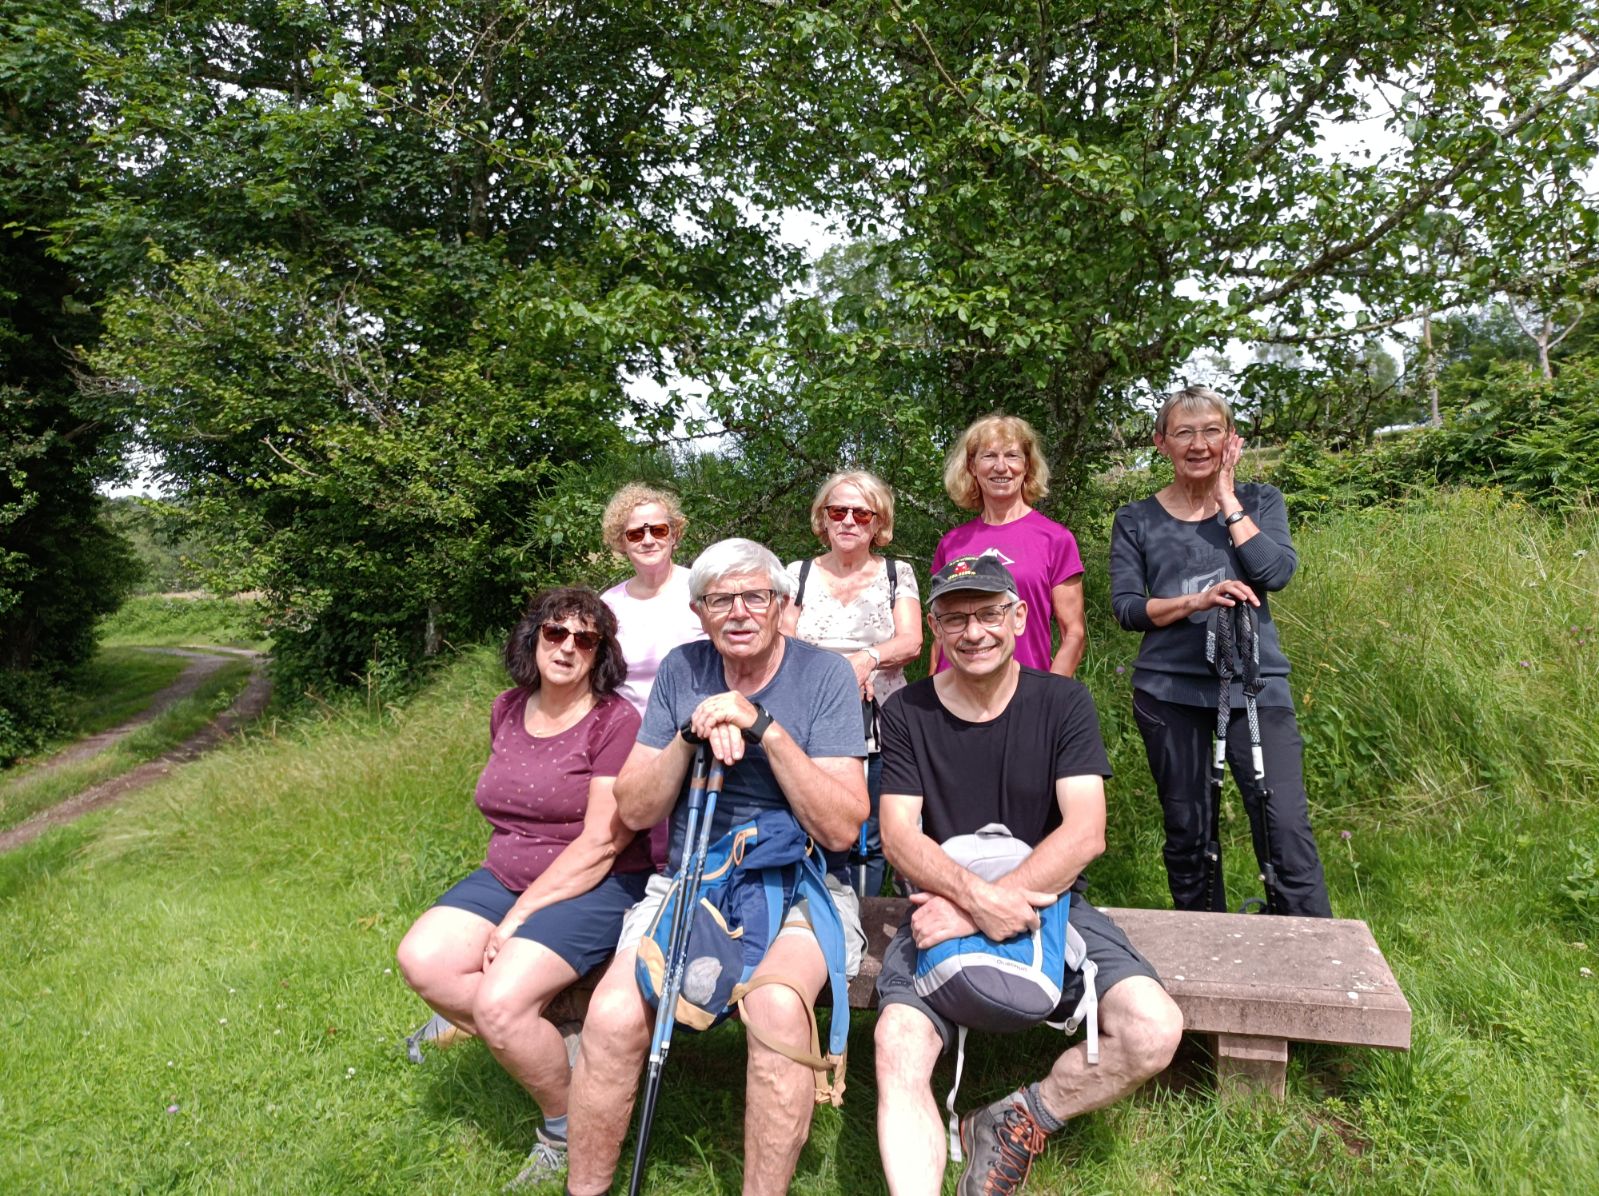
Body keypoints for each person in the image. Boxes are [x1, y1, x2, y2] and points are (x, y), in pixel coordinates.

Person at [564, 538, 869, 1196]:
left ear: (781, 605)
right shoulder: (683, 670)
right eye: (719, 600)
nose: (738, 612)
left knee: (778, 1010)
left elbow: (844, 825)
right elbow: (639, 808)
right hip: (691, 877)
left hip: (799, 881)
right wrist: (688, 734)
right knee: (614, 1013)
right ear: (698, 612)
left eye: (754, 596)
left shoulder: (824, 677)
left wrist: (765, 729)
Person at [874, 555, 1183, 1196]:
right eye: (955, 618)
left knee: (1154, 1028)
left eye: (989, 613)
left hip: (1050, 904)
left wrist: (977, 907)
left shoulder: (1063, 701)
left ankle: (1022, 1116)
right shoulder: (908, 711)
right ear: (934, 628)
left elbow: (1084, 832)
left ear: (1018, 618)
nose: (974, 632)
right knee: (897, 1044)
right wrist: (966, 902)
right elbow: (898, 835)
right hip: (935, 904)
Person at [395, 587, 650, 1190]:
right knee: (422, 962)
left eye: (584, 639)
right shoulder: (507, 707)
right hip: (505, 873)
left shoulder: (616, 722)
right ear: (533, 637)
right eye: (555, 633)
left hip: (597, 883)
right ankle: (564, 1067)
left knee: (499, 1004)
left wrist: (517, 920)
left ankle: (563, 1127)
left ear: (601, 653)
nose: (566, 647)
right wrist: (509, 903)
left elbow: (600, 843)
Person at [1109, 385, 1332, 917]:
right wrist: (1196, 601)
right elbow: (1127, 608)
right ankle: (1203, 944)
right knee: (1189, 829)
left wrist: (1228, 499)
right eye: (1184, 432)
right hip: (1169, 690)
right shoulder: (1136, 518)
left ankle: (1310, 952)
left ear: (1230, 440)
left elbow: (1275, 572)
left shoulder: (1260, 501)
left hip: (1256, 687)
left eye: (1211, 430)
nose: (1198, 443)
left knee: (1283, 826)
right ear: (1162, 443)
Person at [782, 469, 923, 896]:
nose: (848, 521)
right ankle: (812, 911)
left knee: (878, 827)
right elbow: (782, 640)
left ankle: (868, 911)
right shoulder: (797, 573)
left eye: (861, 514)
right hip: (810, 718)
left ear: (878, 523)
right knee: (813, 819)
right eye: (837, 511)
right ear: (822, 519)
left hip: (882, 717)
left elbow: (912, 640)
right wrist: (835, 675)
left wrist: (868, 659)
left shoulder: (898, 573)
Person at [931, 413, 1086, 677]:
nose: (1001, 467)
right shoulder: (952, 544)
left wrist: (1052, 695)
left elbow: (1074, 633)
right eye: (989, 456)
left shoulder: (1055, 539)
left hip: (1026, 692)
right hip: (955, 694)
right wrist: (933, 692)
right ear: (971, 467)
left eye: (1012, 456)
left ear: (1027, 466)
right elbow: (941, 635)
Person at [599, 483, 706, 718]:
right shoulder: (608, 604)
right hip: (627, 734)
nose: (648, 540)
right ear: (621, 542)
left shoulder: (703, 589)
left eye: (658, 530)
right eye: (636, 534)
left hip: (696, 733)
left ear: (674, 535)